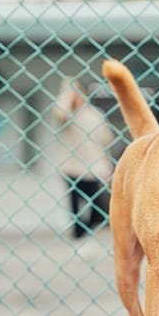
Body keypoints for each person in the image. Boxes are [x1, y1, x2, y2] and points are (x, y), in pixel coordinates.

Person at [53, 79, 114, 239]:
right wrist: (67, 95)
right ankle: (78, 234)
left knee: (96, 203)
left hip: (93, 167)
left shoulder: (95, 115)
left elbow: (107, 140)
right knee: (75, 204)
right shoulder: (67, 114)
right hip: (72, 167)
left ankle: (85, 229)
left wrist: (106, 164)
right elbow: (60, 113)